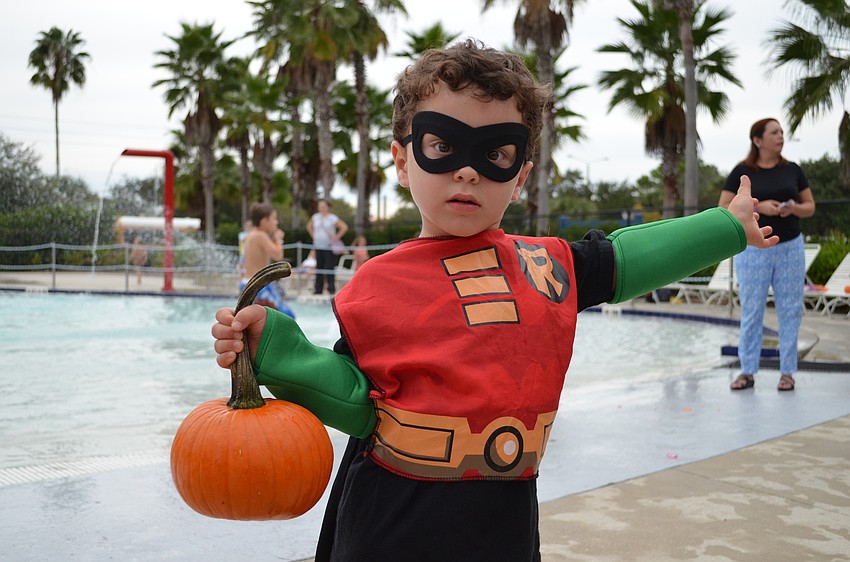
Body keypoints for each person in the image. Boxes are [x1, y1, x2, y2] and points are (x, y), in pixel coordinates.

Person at [212, 40, 776, 562]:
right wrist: (275, 348)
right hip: (390, 520)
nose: (467, 169)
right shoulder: (377, 284)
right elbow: (361, 405)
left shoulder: (545, 267)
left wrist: (725, 227)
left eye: (495, 153)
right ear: (403, 160)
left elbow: (626, 261)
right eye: (442, 145)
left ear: (521, 174)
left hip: (503, 520)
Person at [720, 118, 816, 392]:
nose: (780, 136)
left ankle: (788, 372)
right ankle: (747, 371)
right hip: (752, 250)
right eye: (774, 132)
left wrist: (793, 208)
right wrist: (759, 206)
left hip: (790, 248)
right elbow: (724, 205)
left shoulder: (793, 170)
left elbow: (809, 206)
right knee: (752, 310)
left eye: (782, 132)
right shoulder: (742, 171)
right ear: (758, 140)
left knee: (790, 310)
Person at [241, 203, 295, 319]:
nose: (276, 222)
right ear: (264, 221)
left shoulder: (251, 235)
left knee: (262, 320)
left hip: (250, 283)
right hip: (258, 285)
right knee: (288, 316)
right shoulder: (260, 235)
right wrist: (278, 239)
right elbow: (278, 255)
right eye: (274, 218)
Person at [306, 199, 348, 295]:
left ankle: (331, 288)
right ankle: (318, 289)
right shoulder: (315, 217)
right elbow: (309, 226)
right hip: (318, 245)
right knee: (319, 267)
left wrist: (336, 237)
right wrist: (314, 236)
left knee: (329, 267)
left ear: (328, 207)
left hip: (329, 246)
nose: (321, 208)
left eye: (323, 206)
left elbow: (344, 227)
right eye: (320, 206)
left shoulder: (332, 218)